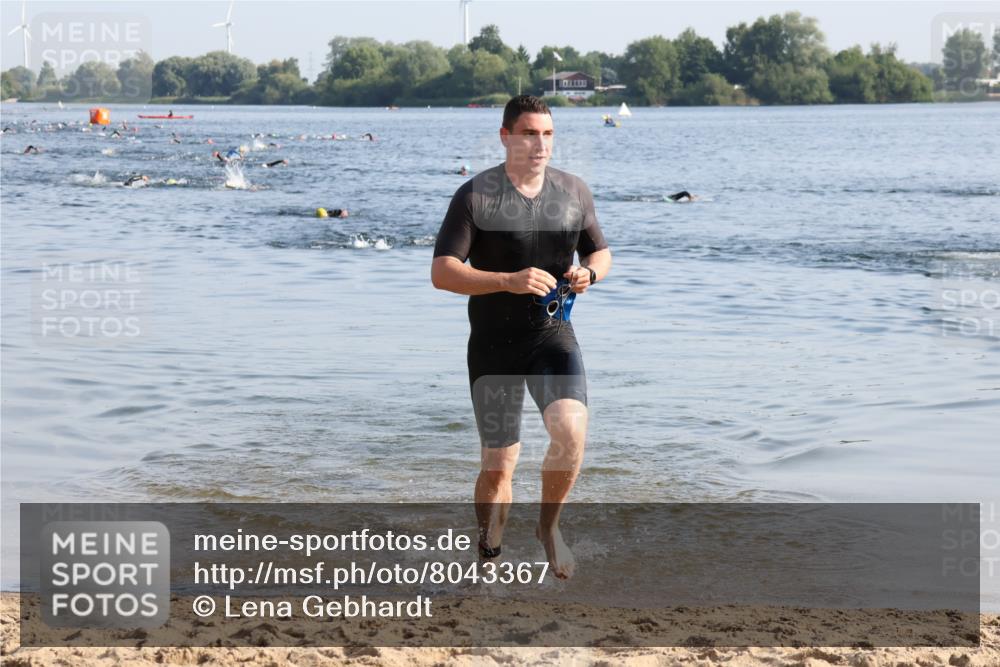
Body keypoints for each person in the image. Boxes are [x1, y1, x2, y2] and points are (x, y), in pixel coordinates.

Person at [431, 95, 612, 580]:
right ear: (506, 136)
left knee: (571, 433)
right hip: (493, 346)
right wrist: (506, 280)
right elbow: (443, 272)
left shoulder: (573, 192)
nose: (540, 145)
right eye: (530, 133)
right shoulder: (476, 196)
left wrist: (588, 276)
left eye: (548, 135)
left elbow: (603, 254)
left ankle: (548, 529)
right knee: (498, 465)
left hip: (552, 336)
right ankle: (488, 553)